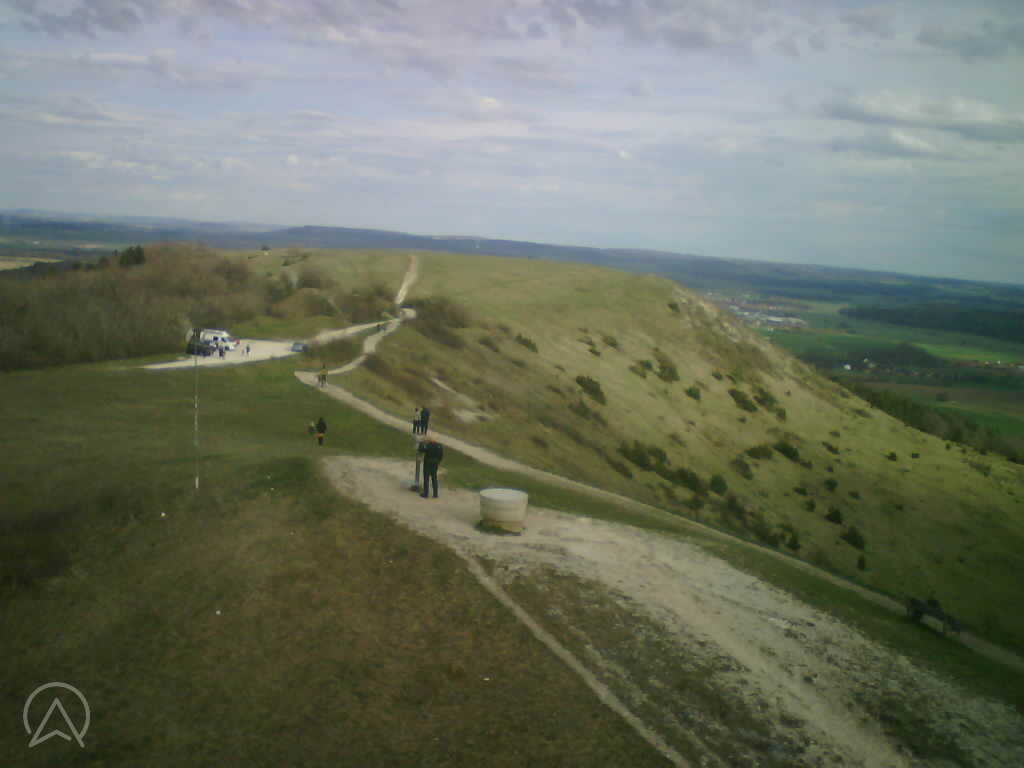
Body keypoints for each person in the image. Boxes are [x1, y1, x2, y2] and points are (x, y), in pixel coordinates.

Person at [418, 433, 443, 498]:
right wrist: (438, 462)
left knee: (426, 478)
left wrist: (421, 442)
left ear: (431, 440)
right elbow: (441, 456)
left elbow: (421, 449)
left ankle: (425, 493)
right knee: (434, 478)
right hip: (435, 463)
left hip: (428, 462)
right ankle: (435, 494)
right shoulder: (440, 446)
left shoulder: (429, 445)